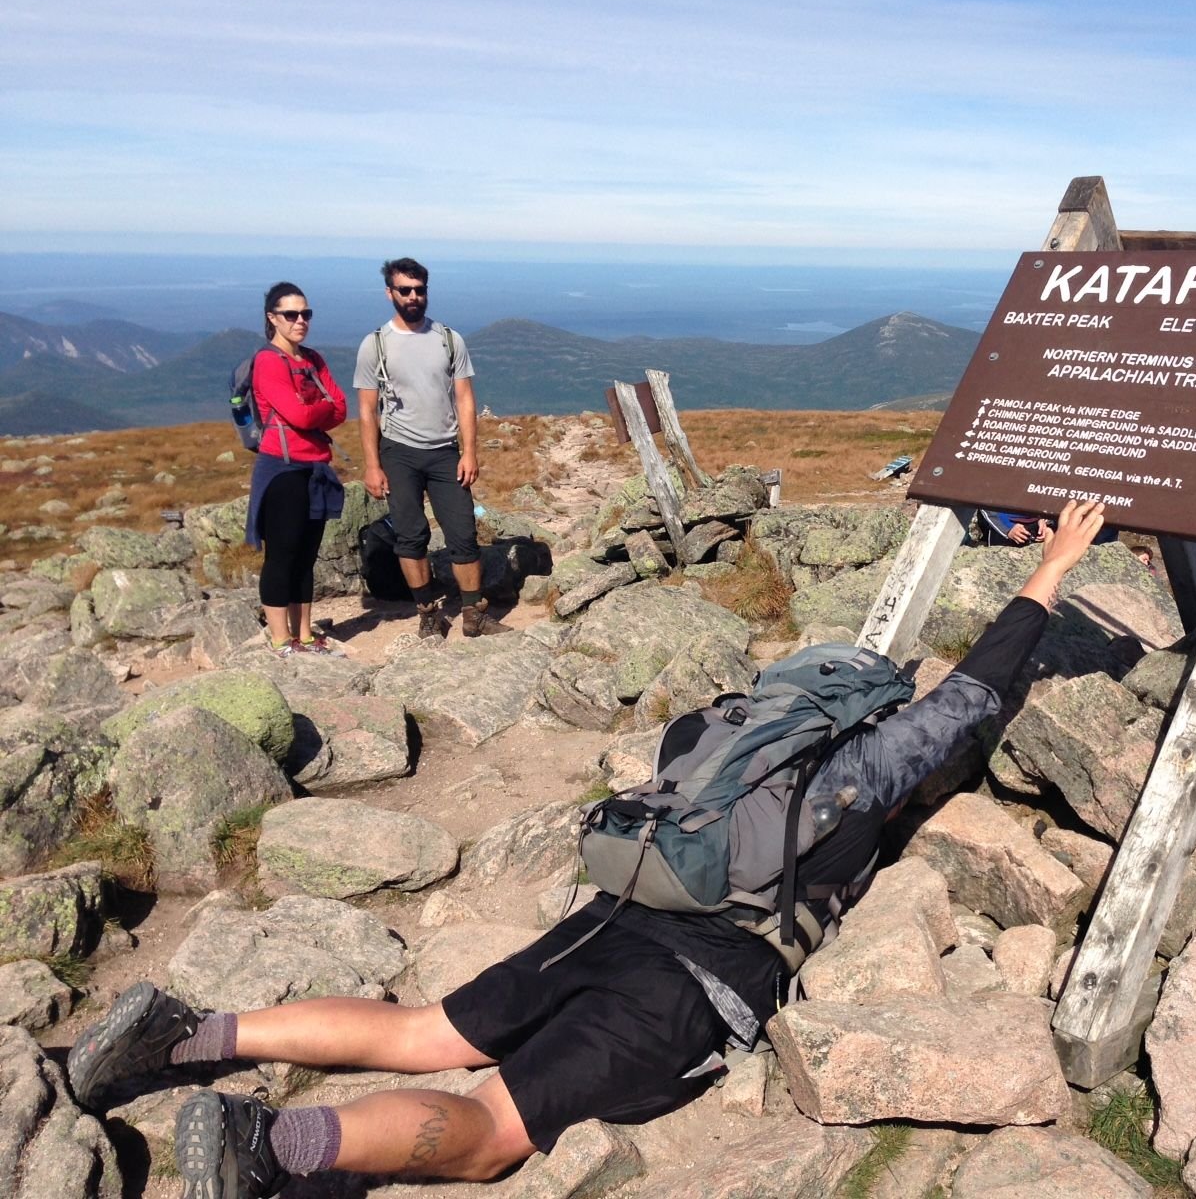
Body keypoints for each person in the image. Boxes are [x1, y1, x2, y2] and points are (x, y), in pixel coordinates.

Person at [66, 501, 1108, 1198]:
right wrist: (1055, 565)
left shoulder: (729, 729)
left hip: (610, 913)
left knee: (426, 1029)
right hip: (693, 981)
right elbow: (971, 698)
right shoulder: (858, 774)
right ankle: (274, 1150)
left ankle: (189, 1033)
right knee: (489, 1135)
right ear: (867, 720)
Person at [353, 258, 508, 639]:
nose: (413, 297)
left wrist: (469, 451)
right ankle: (427, 612)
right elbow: (367, 410)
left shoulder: (448, 339)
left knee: (462, 533)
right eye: (404, 290)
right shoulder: (375, 345)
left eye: (419, 289)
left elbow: (465, 399)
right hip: (398, 450)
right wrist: (372, 465)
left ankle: (474, 613)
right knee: (410, 535)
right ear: (390, 292)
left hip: (444, 451)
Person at [245, 283, 348, 657]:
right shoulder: (269, 361)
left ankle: (304, 635)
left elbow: (341, 407)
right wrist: (317, 408)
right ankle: (279, 638)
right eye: (291, 315)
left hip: (316, 469)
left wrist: (315, 410)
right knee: (283, 555)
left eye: (306, 313)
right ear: (273, 318)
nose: (300, 321)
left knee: (306, 556)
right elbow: (304, 413)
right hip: (282, 470)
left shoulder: (313, 359)